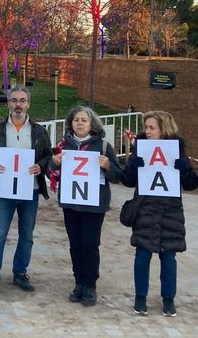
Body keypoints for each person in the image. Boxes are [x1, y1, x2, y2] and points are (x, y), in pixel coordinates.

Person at [121, 110, 198, 317]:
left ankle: (168, 298)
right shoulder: (140, 148)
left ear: (163, 129)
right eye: (145, 127)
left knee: (168, 256)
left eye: (151, 127)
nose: (147, 131)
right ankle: (140, 297)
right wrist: (132, 167)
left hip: (170, 210)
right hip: (145, 208)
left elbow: (192, 185)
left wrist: (186, 170)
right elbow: (127, 181)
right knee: (142, 255)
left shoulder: (176, 150)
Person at [0, 86, 52, 298]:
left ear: (28, 104)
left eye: (22, 100)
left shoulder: (39, 131)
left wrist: (41, 165)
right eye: (14, 100)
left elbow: (47, 154)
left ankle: (20, 272)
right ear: (8, 103)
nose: (18, 104)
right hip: (4, 190)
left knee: (27, 235)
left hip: (30, 190)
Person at [49, 105, 121, 306]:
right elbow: (50, 173)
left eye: (84, 120)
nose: (80, 123)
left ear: (91, 124)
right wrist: (54, 163)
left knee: (90, 244)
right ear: (71, 123)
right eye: (76, 120)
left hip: (94, 206)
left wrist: (107, 166)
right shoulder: (63, 145)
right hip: (71, 204)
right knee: (75, 245)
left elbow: (118, 176)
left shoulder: (103, 146)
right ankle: (79, 282)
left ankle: (90, 285)